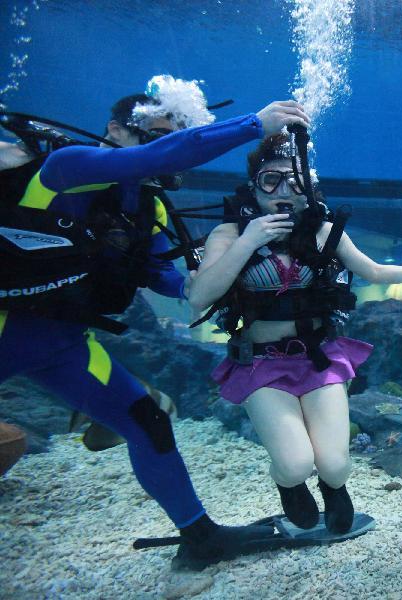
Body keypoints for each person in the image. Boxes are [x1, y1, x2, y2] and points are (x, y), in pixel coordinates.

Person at [0, 74, 310, 569]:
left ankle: (200, 538)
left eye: (174, 134)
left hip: (61, 344)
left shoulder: (145, 206)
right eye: (155, 133)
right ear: (116, 130)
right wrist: (254, 124)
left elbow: (162, 273)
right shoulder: (66, 166)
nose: (164, 147)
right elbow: (149, 160)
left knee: (147, 420)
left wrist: (210, 285)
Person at [187, 132, 402, 536]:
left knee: (335, 463)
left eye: (295, 182)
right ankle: (287, 483)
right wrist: (249, 241)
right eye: (270, 181)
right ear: (253, 186)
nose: (283, 191)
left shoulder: (323, 230)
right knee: (295, 464)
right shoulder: (228, 235)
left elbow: (374, 271)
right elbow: (200, 297)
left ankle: (335, 487)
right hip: (260, 363)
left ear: (309, 188)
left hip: (319, 356)